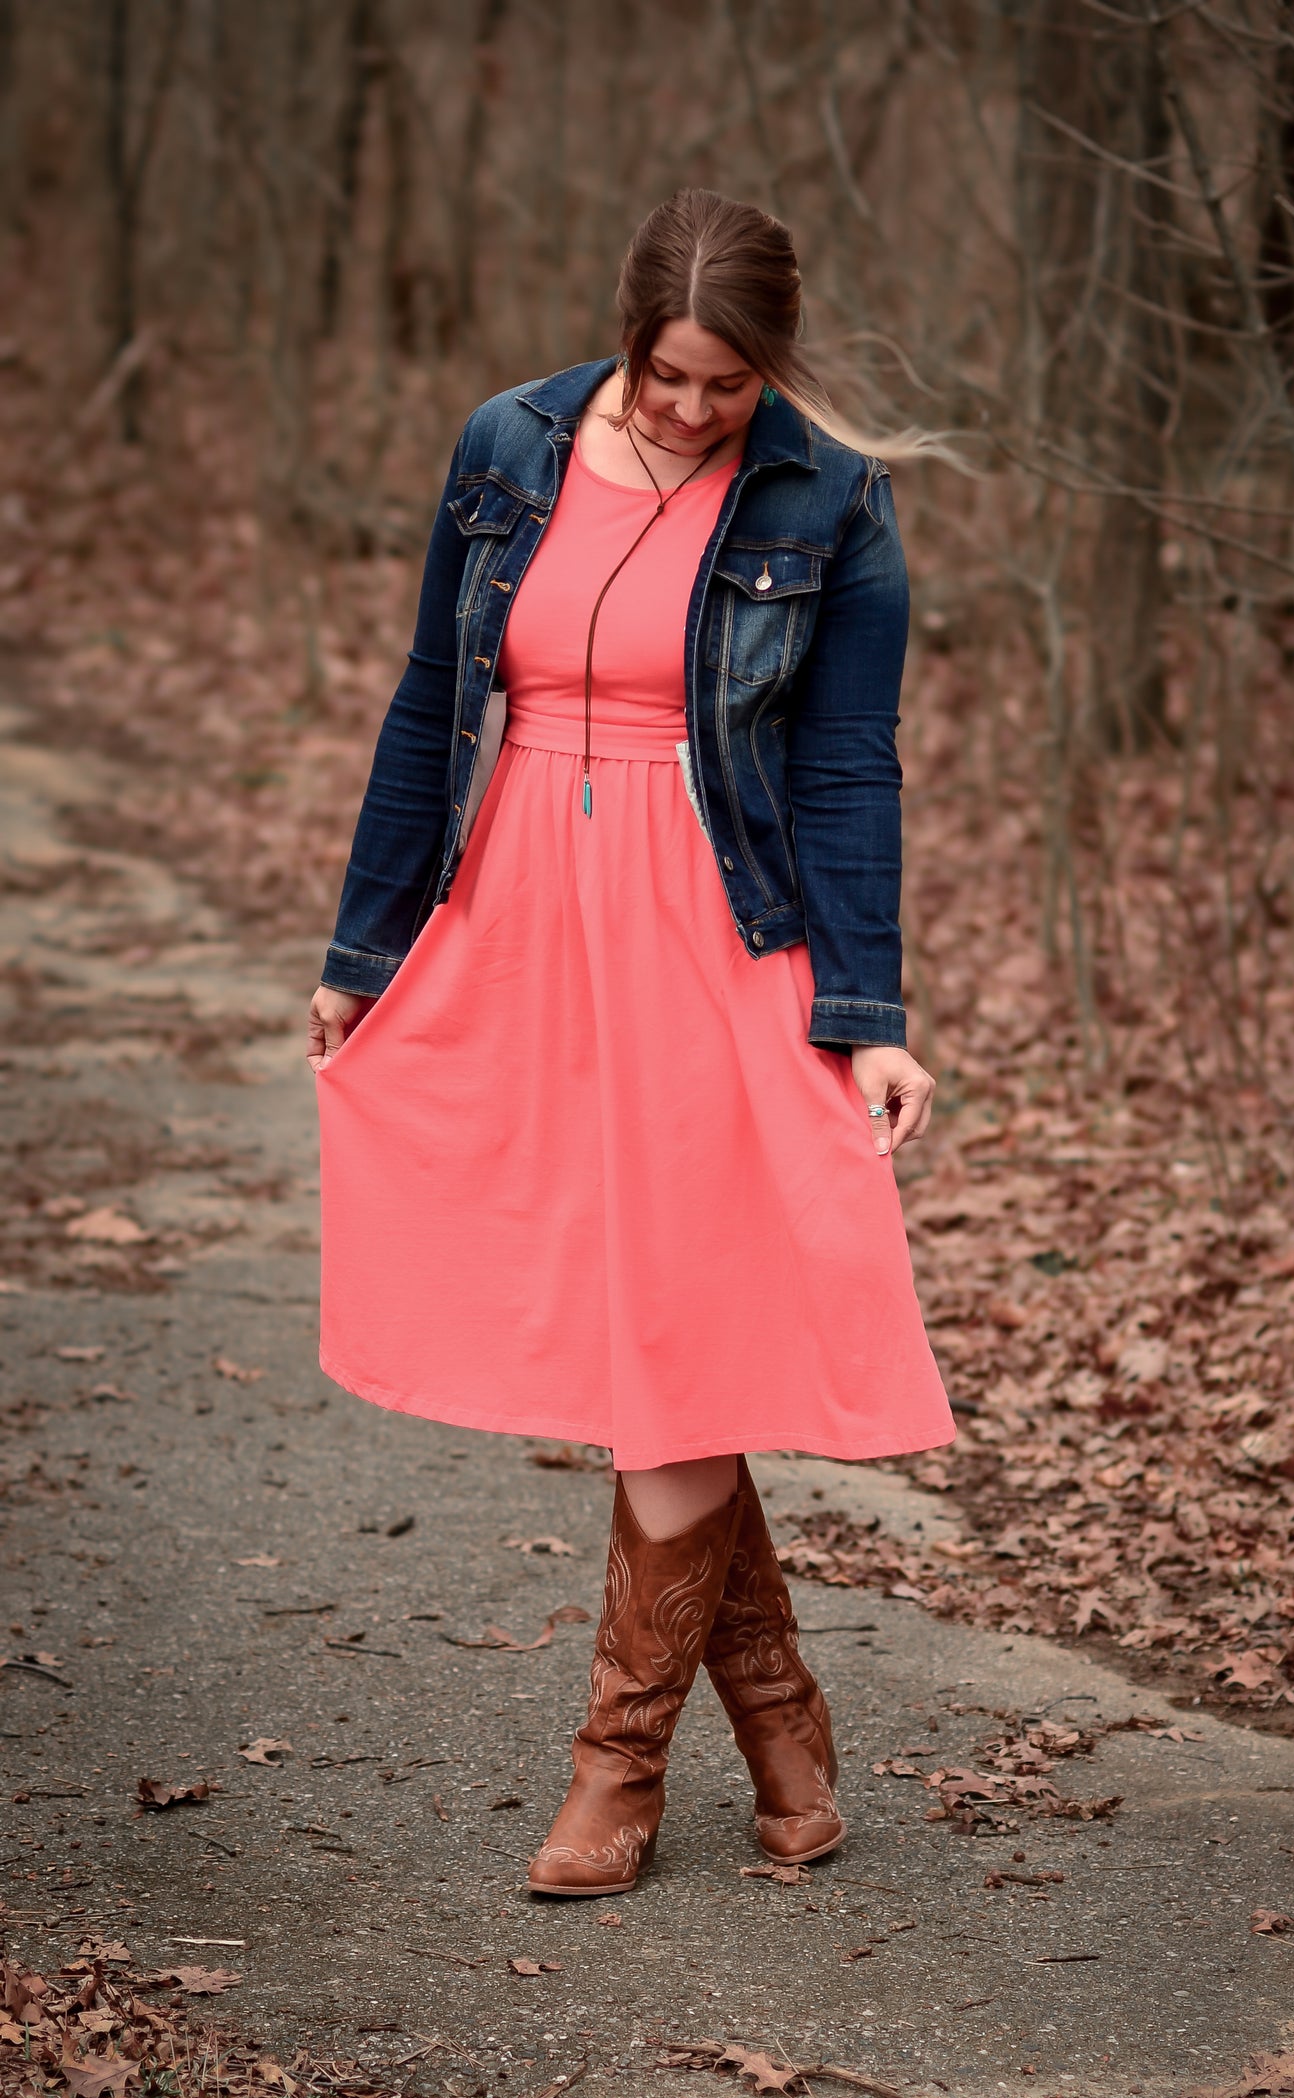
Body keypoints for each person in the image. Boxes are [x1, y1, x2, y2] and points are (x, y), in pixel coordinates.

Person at [307, 188, 954, 1897]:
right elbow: (425, 698)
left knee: (670, 1325)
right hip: (518, 905)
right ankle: (784, 1719)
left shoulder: (830, 498)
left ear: (772, 368)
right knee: (631, 1318)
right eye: (666, 375)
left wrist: (866, 1012)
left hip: (711, 923)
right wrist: (364, 945)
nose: (686, 411)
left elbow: (844, 768)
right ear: (625, 338)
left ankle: (616, 1771)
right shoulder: (505, 445)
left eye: (725, 386)